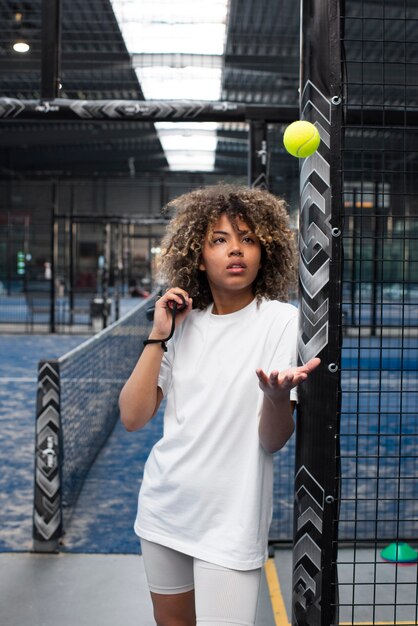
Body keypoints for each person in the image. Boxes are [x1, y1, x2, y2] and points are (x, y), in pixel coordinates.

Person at [119, 183, 320, 626]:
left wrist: (273, 397)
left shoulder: (282, 322)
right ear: (198, 254)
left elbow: (272, 440)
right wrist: (160, 333)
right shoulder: (182, 324)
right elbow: (133, 417)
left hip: (232, 521)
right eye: (220, 240)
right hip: (164, 508)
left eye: (248, 239)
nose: (236, 250)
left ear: (265, 251)